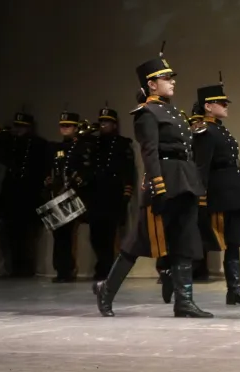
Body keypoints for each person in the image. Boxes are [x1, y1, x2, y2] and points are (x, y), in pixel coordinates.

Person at [93, 51, 211, 318]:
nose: (172, 81)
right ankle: (106, 290)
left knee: (185, 241)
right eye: (166, 78)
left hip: (184, 180)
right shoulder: (146, 113)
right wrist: (158, 186)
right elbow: (150, 152)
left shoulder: (174, 112)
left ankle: (184, 302)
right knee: (138, 242)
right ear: (151, 84)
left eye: (171, 77)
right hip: (165, 180)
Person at [194, 81, 240, 305]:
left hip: (234, 192)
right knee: (205, 241)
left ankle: (235, 290)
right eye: (221, 103)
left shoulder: (220, 129)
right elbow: (201, 166)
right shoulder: (205, 131)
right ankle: (173, 278)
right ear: (208, 106)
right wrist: (200, 197)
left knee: (234, 241)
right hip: (219, 193)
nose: (225, 105)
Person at [0, 112, 47, 277]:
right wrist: (3, 133)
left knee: (27, 235)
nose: (19, 129)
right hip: (11, 194)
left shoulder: (38, 144)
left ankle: (26, 268)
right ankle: (14, 267)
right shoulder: (10, 142)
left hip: (29, 193)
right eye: (17, 126)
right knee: (10, 234)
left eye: (22, 126)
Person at [44, 111, 94, 282]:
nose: (64, 128)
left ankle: (68, 269)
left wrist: (75, 181)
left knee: (67, 234)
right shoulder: (57, 148)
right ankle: (61, 270)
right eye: (62, 126)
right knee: (58, 234)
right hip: (58, 193)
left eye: (68, 126)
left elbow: (86, 171)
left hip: (73, 194)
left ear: (75, 127)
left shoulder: (81, 147)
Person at [89, 106, 135, 280]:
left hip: (113, 194)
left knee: (110, 235)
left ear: (114, 125)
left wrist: (126, 194)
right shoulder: (94, 143)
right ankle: (101, 266)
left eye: (107, 122)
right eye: (101, 121)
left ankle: (107, 269)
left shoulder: (122, 144)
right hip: (96, 194)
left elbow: (128, 171)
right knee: (95, 234)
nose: (103, 125)